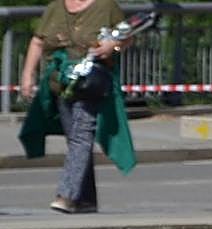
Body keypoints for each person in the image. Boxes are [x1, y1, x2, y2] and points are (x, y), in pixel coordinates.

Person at [18, 0, 135, 213]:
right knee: (76, 141)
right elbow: (38, 41)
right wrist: (28, 74)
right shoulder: (55, 8)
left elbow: (126, 38)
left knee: (81, 136)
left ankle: (67, 195)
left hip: (91, 84)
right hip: (60, 84)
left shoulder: (106, 6)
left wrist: (112, 46)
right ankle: (86, 200)